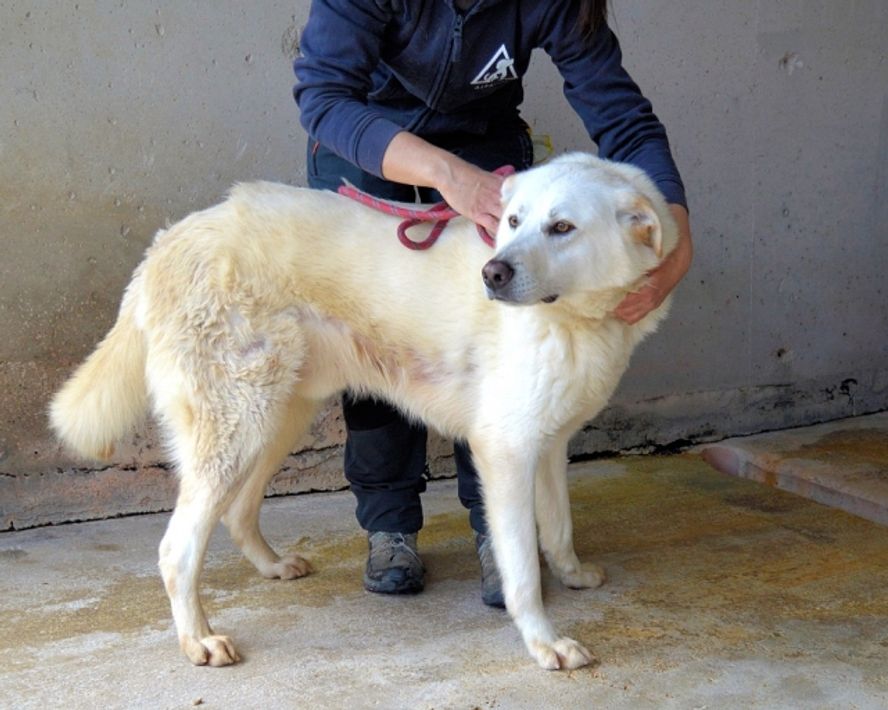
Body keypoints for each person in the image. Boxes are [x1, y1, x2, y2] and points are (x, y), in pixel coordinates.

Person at [292, 0, 693, 606]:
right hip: (370, 150)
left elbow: (625, 121)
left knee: (497, 354)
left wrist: (677, 236)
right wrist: (446, 174)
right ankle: (389, 524)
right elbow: (324, 98)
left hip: (486, 154)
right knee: (375, 352)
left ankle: (497, 532)